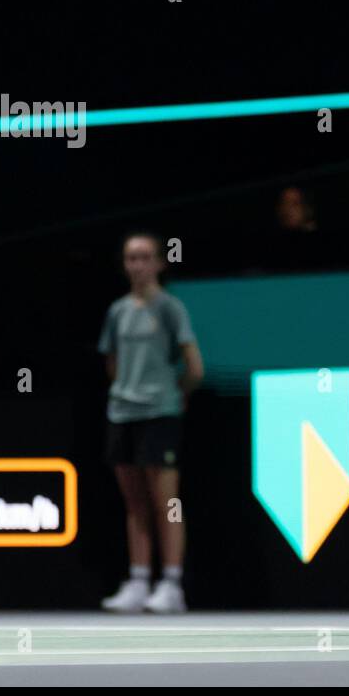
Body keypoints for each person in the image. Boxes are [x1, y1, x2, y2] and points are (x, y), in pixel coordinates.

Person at [99, 232, 205, 614]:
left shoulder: (171, 309)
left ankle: (172, 583)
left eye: (145, 257)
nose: (137, 265)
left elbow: (194, 367)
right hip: (122, 414)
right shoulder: (117, 312)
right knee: (134, 503)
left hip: (160, 414)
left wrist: (173, 394)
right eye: (130, 258)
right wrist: (128, 391)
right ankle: (139, 580)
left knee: (168, 502)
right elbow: (112, 364)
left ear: (159, 262)